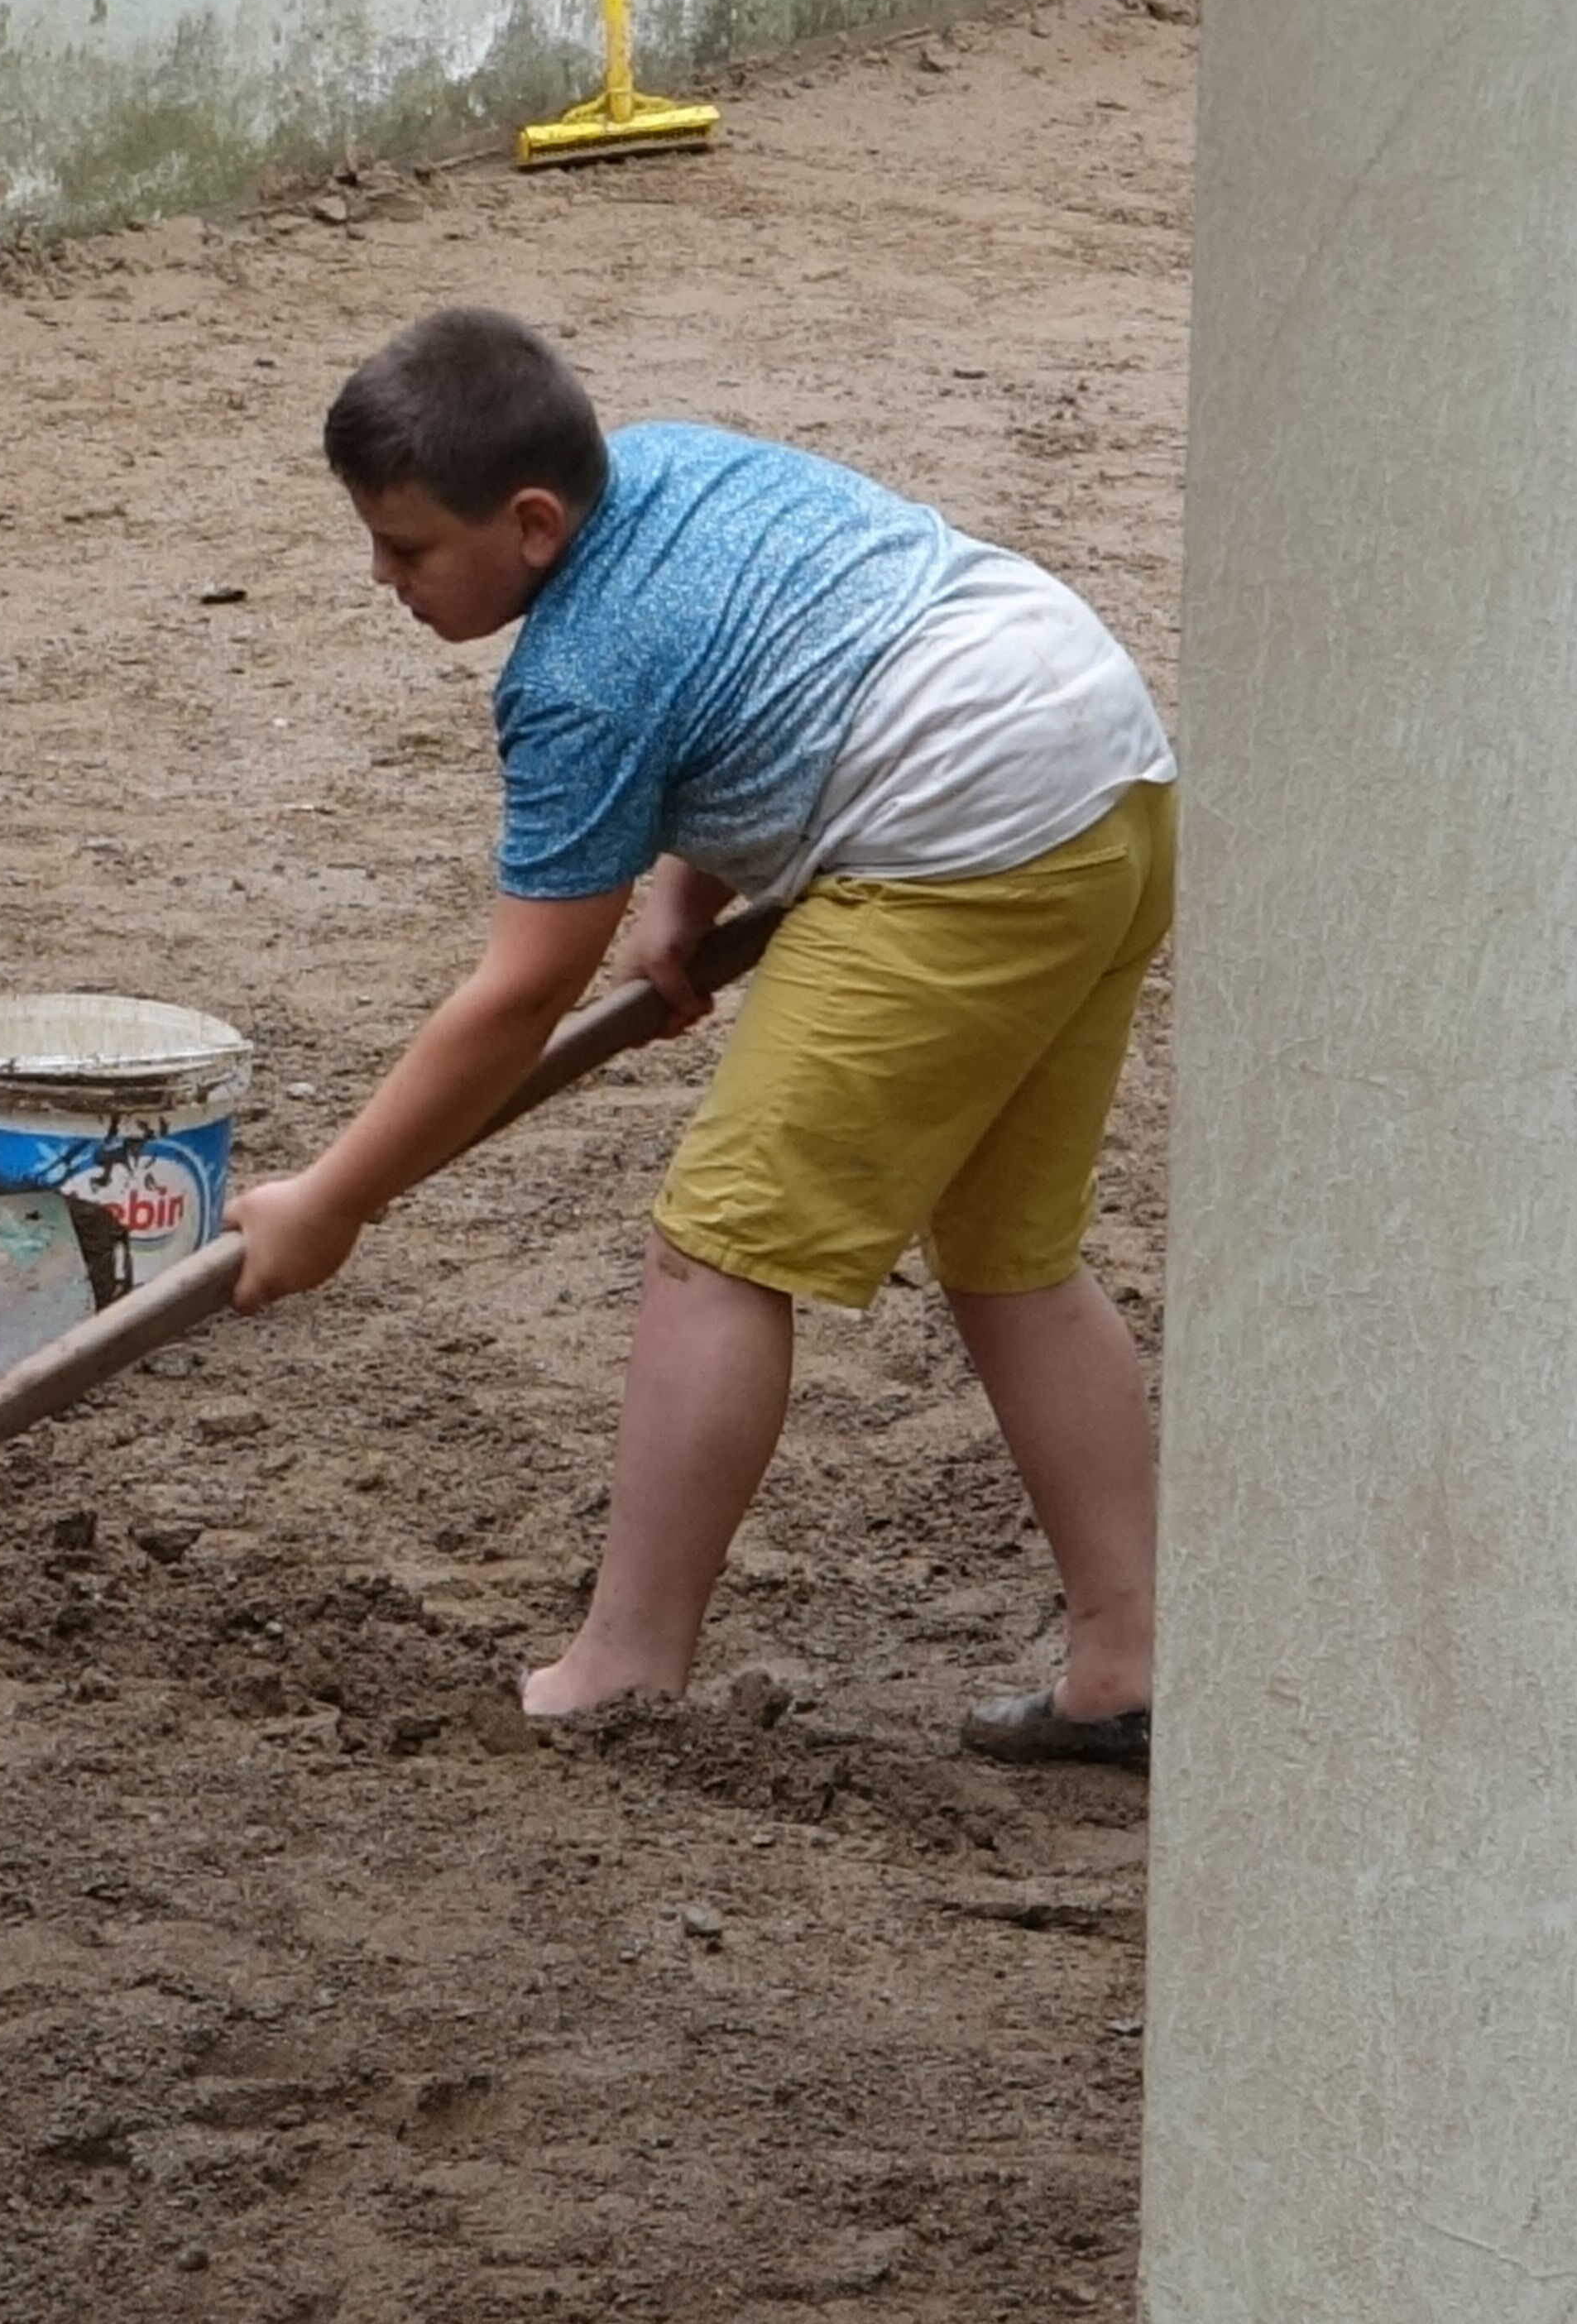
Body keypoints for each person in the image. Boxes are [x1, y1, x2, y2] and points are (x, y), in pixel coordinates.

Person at [218, 307, 1176, 1766]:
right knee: (1011, 1251)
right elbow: (776, 646)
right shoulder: (666, 468)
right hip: (1106, 776)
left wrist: (331, 1200)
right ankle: (1137, 1665)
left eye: (409, 549)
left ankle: (623, 1665)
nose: (382, 579)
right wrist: (687, 888)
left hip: (960, 845)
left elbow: (519, 997)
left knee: (719, 1248)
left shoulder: (577, 680)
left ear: (532, 522)